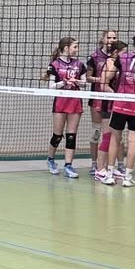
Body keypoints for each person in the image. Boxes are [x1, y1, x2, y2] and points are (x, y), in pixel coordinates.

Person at [102, 32, 135, 186]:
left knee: (115, 138)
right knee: (133, 141)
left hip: (120, 103)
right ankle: (128, 178)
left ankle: (109, 175)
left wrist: (115, 89)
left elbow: (107, 78)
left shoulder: (123, 57)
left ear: (134, 43)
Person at [44, 37, 85, 178]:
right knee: (57, 135)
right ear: (66, 48)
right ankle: (50, 159)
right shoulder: (54, 65)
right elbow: (51, 86)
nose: (77, 49)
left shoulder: (79, 64)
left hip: (75, 102)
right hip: (61, 102)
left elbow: (84, 83)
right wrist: (63, 82)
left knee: (71, 136)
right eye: (75, 47)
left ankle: (68, 165)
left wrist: (76, 81)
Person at [86, 29, 120, 182]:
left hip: (112, 99)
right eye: (109, 37)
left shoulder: (119, 57)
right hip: (97, 97)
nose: (111, 40)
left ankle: (113, 165)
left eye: (114, 38)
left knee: (114, 133)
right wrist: (102, 79)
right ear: (103, 39)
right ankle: (95, 164)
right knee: (96, 132)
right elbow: (88, 77)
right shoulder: (94, 57)